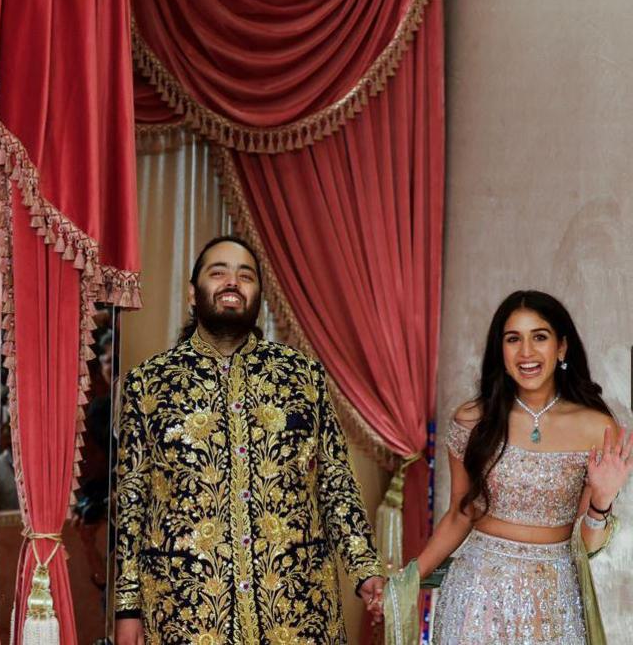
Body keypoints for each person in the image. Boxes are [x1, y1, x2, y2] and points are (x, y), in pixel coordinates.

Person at [113, 236, 385, 645]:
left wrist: (364, 568)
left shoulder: (303, 376)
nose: (232, 283)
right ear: (193, 292)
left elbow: (335, 481)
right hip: (187, 608)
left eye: (245, 276)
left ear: (259, 293)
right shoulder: (149, 384)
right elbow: (131, 501)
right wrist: (127, 607)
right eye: (217, 272)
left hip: (296, 605)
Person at [411, 290, 631, 643]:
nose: (526, 352)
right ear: (501, 350)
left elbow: (585, 546)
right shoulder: (474, 420)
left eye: (539, 337)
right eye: (514, 339)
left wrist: (601, 501)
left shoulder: (597, 428)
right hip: (475, 594)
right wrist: (407, 582)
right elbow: (459, 513)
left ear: (561, 347)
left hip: (552, 599)